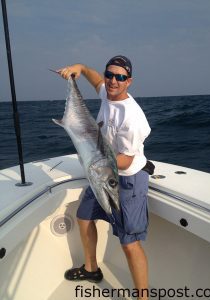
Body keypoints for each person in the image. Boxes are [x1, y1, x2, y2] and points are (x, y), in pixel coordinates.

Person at [57, 55, 151, 300]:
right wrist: (78, 68)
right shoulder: (107, 93)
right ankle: (92, 269)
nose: (112, 81)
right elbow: (93, 76)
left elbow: (127, 160)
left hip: (127, 179)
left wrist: (95, 161)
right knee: (84, 217)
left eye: (119, 77)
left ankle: (143, 297)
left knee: (129, 242)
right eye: (110, 74)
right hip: (100, 171)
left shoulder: (133, 118)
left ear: (128, 81)